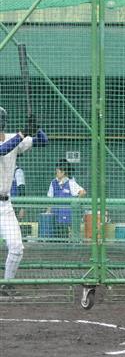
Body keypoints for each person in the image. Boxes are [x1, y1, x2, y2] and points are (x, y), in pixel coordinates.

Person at [0, 107, 48, 295]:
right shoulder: (15, 139)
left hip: (5, 205)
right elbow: (2, 150)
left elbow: (43, 141)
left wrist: (36, 127)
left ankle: (7, 284)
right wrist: (23, 132)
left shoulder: (14, 137)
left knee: (17, 248)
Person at [47, 158, 86, 238]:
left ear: (63, 172)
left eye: (57, 171)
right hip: (56, 217)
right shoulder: (53, 182)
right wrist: (48, 213)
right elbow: (50, 200)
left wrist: (76, 202)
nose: (56, 173)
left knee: (66, 237)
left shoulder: (71, 182)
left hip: (68, 218)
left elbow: (82, 192)